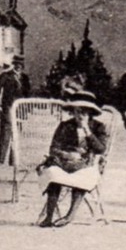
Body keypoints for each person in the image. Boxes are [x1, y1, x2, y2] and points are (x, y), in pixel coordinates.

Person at [36, 84, 109, 227]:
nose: (80, 116)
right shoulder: (65, 126)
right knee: (53, 174)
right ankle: (49, 216)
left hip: (86, 164)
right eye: (77, 111)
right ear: (73, 112)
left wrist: (87, 131)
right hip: (64, 162)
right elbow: (53, 148)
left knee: (82, 177)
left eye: (84, 112)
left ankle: (70, 215)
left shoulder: (98, 127)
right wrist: (66, 154)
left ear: (90, 113)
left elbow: (100, 149)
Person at [0, 59, 27, 166]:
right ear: (13, 65)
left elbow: (28, 94)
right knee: (5, 133)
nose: (18, 67)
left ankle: (13, 161)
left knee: (16, 135)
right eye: (17, 64)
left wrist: (27, 109)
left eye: (21, 65)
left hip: (20, 110)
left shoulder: (25, 78)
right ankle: (0, 161)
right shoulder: (5, 76)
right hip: (8, 108)